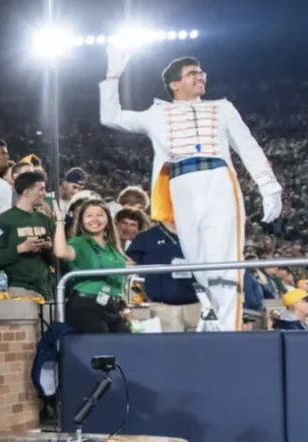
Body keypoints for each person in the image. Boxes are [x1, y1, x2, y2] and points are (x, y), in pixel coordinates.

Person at [101, 46, 283, 331]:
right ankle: (214, 322)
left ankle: (229, 331)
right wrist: (112, 75)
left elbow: (248, 146)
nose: (201, 77)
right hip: (180, 186)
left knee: (224, 259)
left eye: (201, 73)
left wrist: (269, 186)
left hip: (218, 179)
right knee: (198, 262)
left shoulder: (222, 108)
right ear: (174, 84)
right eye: (192, 74)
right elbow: (109, 117)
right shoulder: (156, 114)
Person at [53, 198, 131, 333]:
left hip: (113, 307)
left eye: (100, 215)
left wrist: (125, 308)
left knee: (125, 341)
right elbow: (61, 252)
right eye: (89, 215)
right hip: (87, 307)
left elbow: (118, 280)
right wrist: (60, 221)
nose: (95, 219)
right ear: (82, 221)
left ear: (108, 219)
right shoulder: (79, 242)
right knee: (100, 344)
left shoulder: (113, 246)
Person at [0, 170, 55, 300]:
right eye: (40, 190)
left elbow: (58, 259)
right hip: (17, 289)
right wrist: (22, 248)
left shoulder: (46, 220)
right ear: (27, 192)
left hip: (45, 289)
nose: (44, 194)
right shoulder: (1, 221)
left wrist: (48, 247)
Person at [126, 218, 201, 332]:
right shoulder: (146, 237)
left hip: (198, 306)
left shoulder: (200, 234)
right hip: (162, 308)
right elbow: (129, 270)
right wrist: (139, 304)